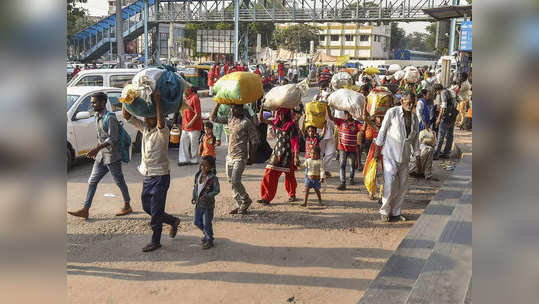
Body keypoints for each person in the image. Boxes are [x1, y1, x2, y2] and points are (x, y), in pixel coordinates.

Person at [123, 90, 181, 252]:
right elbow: (127, 116)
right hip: (147, 176)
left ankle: (156, 241)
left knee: (155, 212)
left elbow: (161, 122)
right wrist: (125, 97)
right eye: (146, 117)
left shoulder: (163, 132)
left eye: (151, 117)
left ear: (156, 119)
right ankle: (173, 221)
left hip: (161, 177)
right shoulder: (145, 129)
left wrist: (157, 102)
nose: (147, 119)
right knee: (147, 207)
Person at [68, 92, 132, 220]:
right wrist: (97, 150)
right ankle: (85, 209)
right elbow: (101, 137)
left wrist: (97, 148)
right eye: (91, 102)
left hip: (112, 156)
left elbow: (113, 138)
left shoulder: (110, 117)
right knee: (92, 181)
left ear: (103, 103)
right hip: (101, 156)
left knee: (119, 181)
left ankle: (127, 205)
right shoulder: (97, 116)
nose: (92, 105)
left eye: (94, 102)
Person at [373, 92, 420, 222]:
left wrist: (417, 154)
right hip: (390, 154)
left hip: (404, 157)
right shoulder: (392, 113)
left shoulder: (415, 118)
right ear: (402, 102)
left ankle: (396, 212)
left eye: (412, 103)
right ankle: (384, 210)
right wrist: (377, 148)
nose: (410, 105)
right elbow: (382, 131)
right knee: (390, 183)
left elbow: (415, 137)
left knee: (403, 186)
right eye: (408, 102)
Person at [211, 104, 260, 214]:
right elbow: (213, 118)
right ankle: (240, 205)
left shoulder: (246, 123)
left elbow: (255, 141)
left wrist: (252, 157)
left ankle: (246, 199)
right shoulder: (230, 119)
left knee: (235, 180)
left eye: (236, 108)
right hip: (230, 156)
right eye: (232, 108)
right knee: (231, 182)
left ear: (242, 109)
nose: (233, 110)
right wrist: (218, 104)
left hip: (240, 157)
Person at [257, 108, 299, 205]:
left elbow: (295, 141)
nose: (280, 116)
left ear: (287, 114)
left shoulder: (291, 125)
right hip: (277, 152)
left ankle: (292, 194)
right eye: (279, 114)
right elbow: (261, 119)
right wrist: (262, 107)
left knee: (289, 175)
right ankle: (266, 197)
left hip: (288, 154)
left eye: (282, 114)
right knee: (269, 173)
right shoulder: (276, 123)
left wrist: (296, 156)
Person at [327, 109, 362, 190]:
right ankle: (343, 183)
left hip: (353, 148)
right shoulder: (341, 122)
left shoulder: (356, 123)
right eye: (346, 114)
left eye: (349, 114)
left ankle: (351, 178)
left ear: (352, 114)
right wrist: (327, 106)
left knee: (352, 165)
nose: (347, 116)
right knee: (342, 165)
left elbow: (363, 129)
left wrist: (365, 119)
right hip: (342, 148)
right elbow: (330, 117)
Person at [192, 155, 220, 249]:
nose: (203, 167)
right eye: (202, 165)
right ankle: (207, 234)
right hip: (198, 204)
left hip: (208, 205)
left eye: (206, 166)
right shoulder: (198, 175)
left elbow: (217, 190)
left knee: (207, 223)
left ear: (211, 167)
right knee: (196, 221)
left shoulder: (213, 178)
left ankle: (209, 239)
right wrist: (193, 197)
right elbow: (196, 187)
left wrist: (208, 196)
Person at [433, 83, 458, 160]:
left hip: (446, 117)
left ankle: (436, 154)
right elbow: (457, 101)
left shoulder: (443, 93)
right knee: (450, 135)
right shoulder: (451, 90)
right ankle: (446, 153)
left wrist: (438, 119)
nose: (436, 93)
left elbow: (443, 107)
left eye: (436, 91)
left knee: (441, 135)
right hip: (453, 116)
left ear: (437, 90)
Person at [178, 87, 203, 166]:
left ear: (189, 89)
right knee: (183, 142)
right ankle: (184, 159)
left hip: (194, 126)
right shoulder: (184, 98)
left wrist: (191, 123)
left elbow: (198, 113)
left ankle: (194, 159)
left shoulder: (194, 98)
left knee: (193, 143)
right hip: (185, 125)